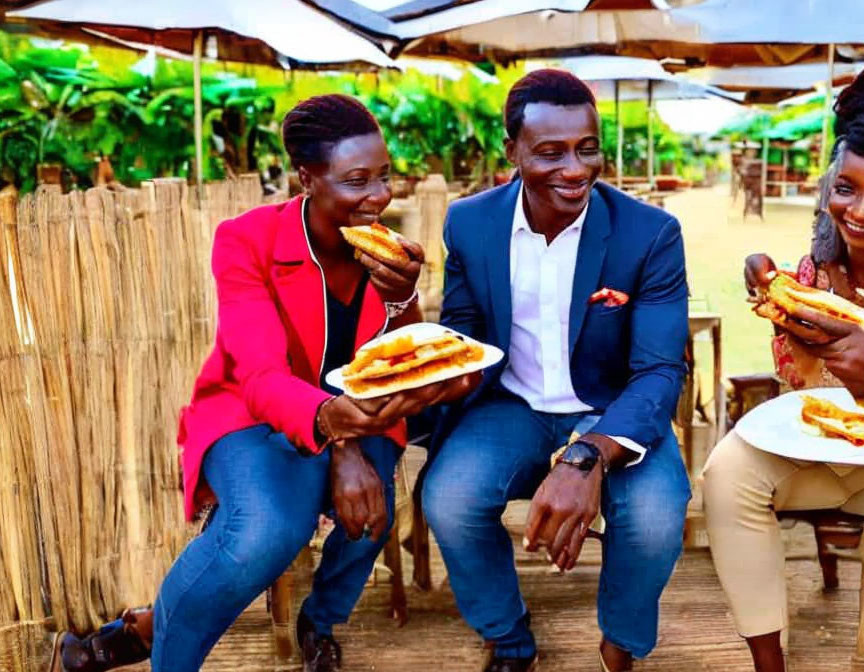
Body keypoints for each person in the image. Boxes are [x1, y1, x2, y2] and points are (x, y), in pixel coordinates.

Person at [52, 93, 475, 672]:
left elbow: (404, 355)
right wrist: (339, 441)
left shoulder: (390, 254)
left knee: (371, 514)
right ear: (308, 177)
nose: (378, 197)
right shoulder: (247, 241)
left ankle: (318, 623)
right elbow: (259, 374)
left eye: (384, 177)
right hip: (252, 415)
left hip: (361, 412)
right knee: (268, 528)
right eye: (357, 181)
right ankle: (153, 639)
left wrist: (403, 297)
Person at [418, 69, 691, 672]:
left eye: (587, 148)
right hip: (509, 407)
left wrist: (586, 455)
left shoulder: (651, 235)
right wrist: (441, 363)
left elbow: (659, 370)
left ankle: (621, 641)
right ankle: (508, 638)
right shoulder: (469, 223)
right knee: (449, 497)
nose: (575, 168)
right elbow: (465, 334)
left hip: (612, 407)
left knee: (654, 516)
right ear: (511, 151)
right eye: (550, 152)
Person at [702, 74, 864, 672]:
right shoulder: (813, 272)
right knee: (728, 473)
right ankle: (769, 663)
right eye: (845, 188)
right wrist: (781, 307)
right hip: (826, 459)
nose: (858, 212)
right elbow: (800, 388)